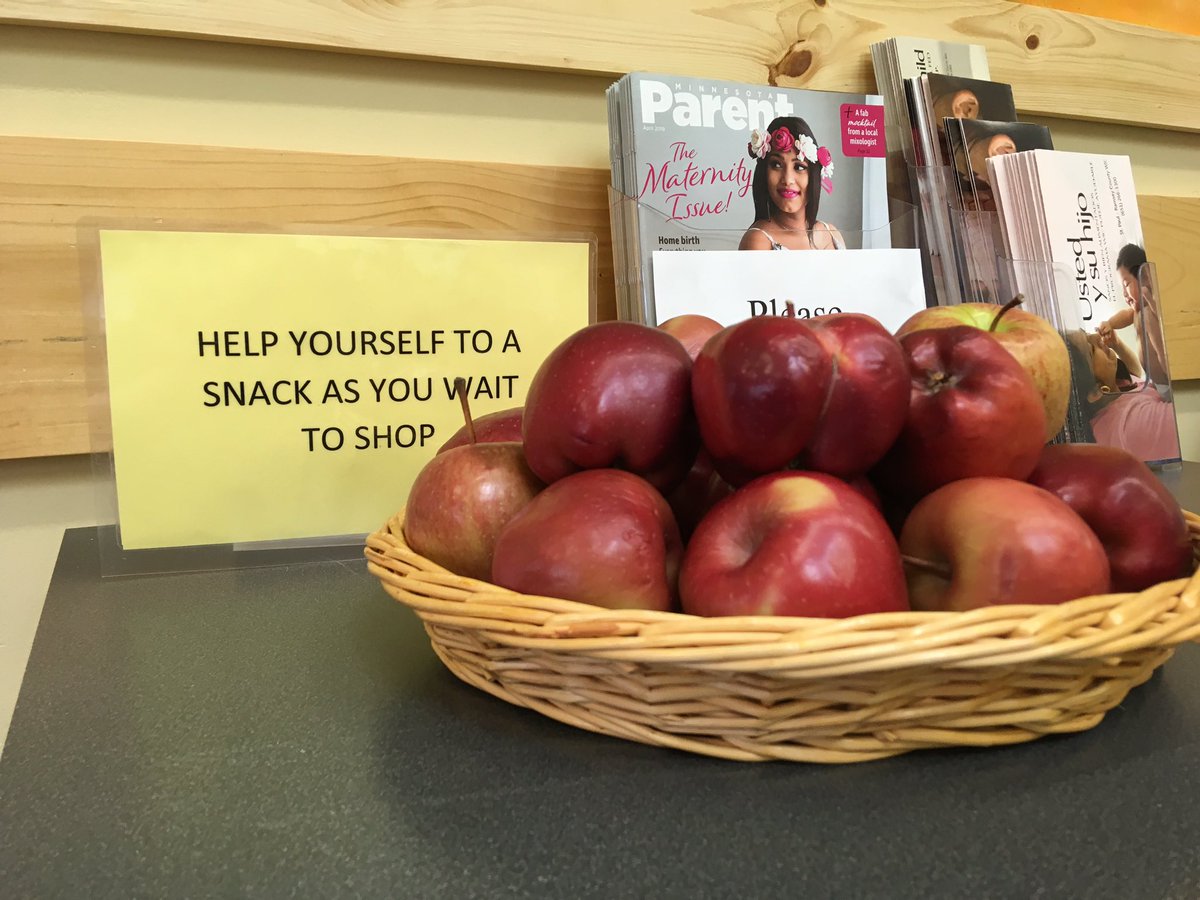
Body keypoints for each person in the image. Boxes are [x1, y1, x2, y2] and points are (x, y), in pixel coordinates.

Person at [1065, 329, 1180, 463]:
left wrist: (1118, 345)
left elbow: (1135, 375)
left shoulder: (1113, 391)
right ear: (1095, 392)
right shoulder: (1132, 424)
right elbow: (1186, 420)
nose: (1096, 336)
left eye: (1086, 333)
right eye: (1092, 350)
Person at [738, 116, 845, 251]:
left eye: (799, 167)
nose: (787, 179)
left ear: (813, 174)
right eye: (776, 165)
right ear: (764, 171)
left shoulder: (831, 233)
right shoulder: (758, 241)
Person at [1097, 244, 1171, 392]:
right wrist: (1110, 323)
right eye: (1121, 287)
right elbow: (1125, 316)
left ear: (1145, 277)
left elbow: (1162, 352)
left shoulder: (1149, 312)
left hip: (1166, 382)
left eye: (1127, 284)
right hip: (1155, 384)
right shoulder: (1136, 311)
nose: (1124, 293)